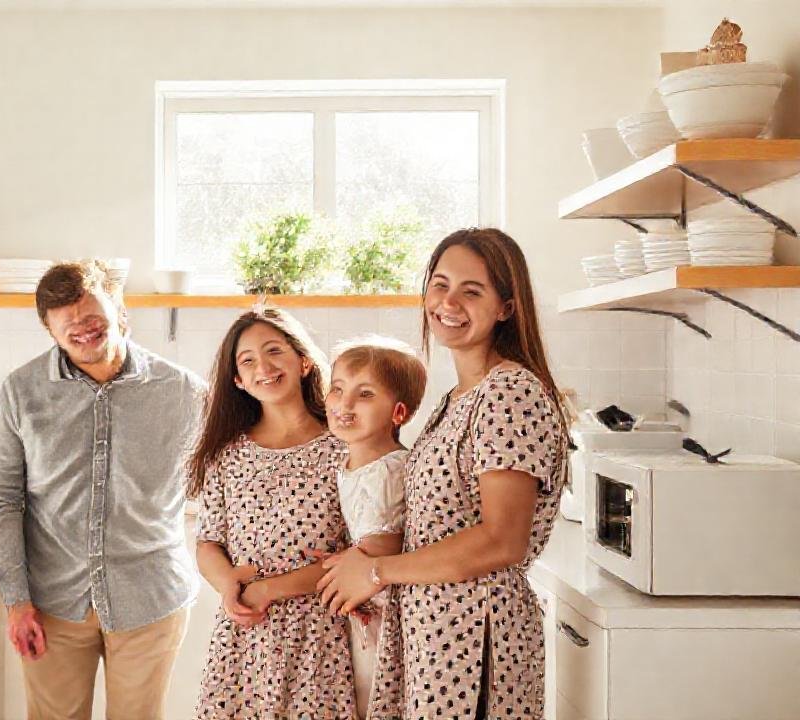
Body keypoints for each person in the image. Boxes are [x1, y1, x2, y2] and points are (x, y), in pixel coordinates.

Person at [318, 228, 570, 719]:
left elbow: (502, 541)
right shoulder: (459, 398)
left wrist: (374, 571)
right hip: (440, 636)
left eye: (471, 291)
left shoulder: (509, 393)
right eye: (440, 284)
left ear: (506, 307)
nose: (448, 302)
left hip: (476, 639)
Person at [0, 259, 205, 720]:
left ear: (122, 313)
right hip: (52, 602)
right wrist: (16, 601)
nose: (82, 332)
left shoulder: (184, 391)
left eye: (92, 320)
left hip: (150, 597)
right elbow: (1, 497)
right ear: (50, 330)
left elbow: (231, 475)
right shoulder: (21, 392)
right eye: (68, 328)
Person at [189, 307, 357, 719]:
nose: (263, 367)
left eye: (274, 351)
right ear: (238, 381)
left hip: (321, 633)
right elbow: (209, 541)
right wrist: (228, 583)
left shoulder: (346, 446)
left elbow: (359, 555)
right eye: (247, 361)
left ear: (303, 361)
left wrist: (269, 589)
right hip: (244, 637)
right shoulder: (226, 454)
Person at [324, 336, 427, 718]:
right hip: (366, 604)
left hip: (379, 614)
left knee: (374, 701)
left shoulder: (387, 469)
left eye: (364, 394)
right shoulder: (356, 463)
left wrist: (340, 568)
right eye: (337, 389)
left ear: (398, 413)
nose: (344, 404)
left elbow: (384, 546)